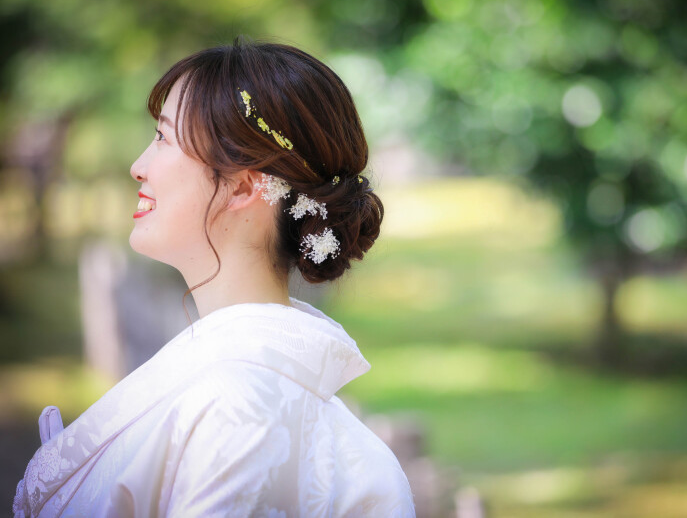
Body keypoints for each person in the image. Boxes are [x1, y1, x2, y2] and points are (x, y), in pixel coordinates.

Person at [13, 37, 415, 517]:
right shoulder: (243, 390)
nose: (138, 167)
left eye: (163, 138)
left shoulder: (240, 412)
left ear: (243, 187)